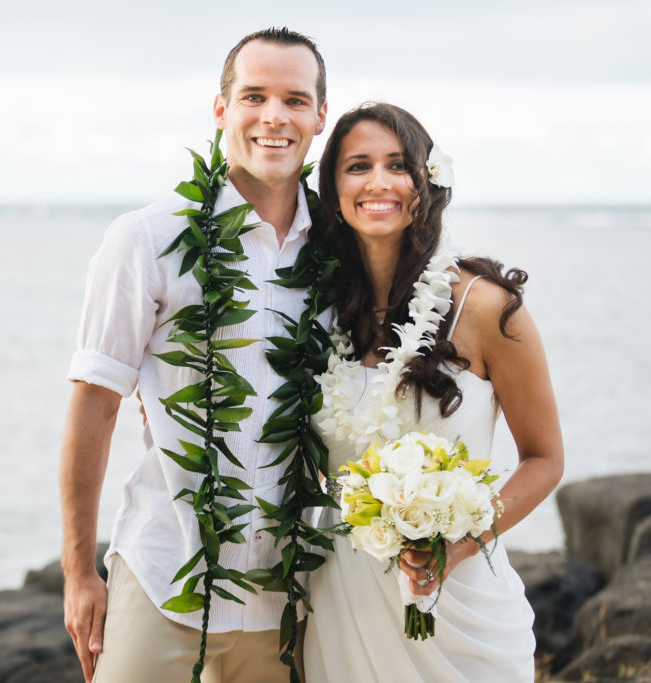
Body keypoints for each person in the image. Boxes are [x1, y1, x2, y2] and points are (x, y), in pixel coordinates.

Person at [59, 28, 329, 683]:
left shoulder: (340, 251)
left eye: (295, 99)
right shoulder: (146, 239)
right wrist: (77, 571)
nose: (274, 116)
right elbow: (94, 405)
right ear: (221, 110)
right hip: (163, 571)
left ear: (320, 117)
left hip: (287, 595)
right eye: (254, 95)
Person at [301, 102, 564, 682]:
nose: (378, 182)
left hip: (461, 608)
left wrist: (460, 546)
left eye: (398, 165)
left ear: (427, 180)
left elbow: (545, 460)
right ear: (333, 191)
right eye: (357, 166)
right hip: (340, 597)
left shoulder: (487, 307)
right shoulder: (315, 314)